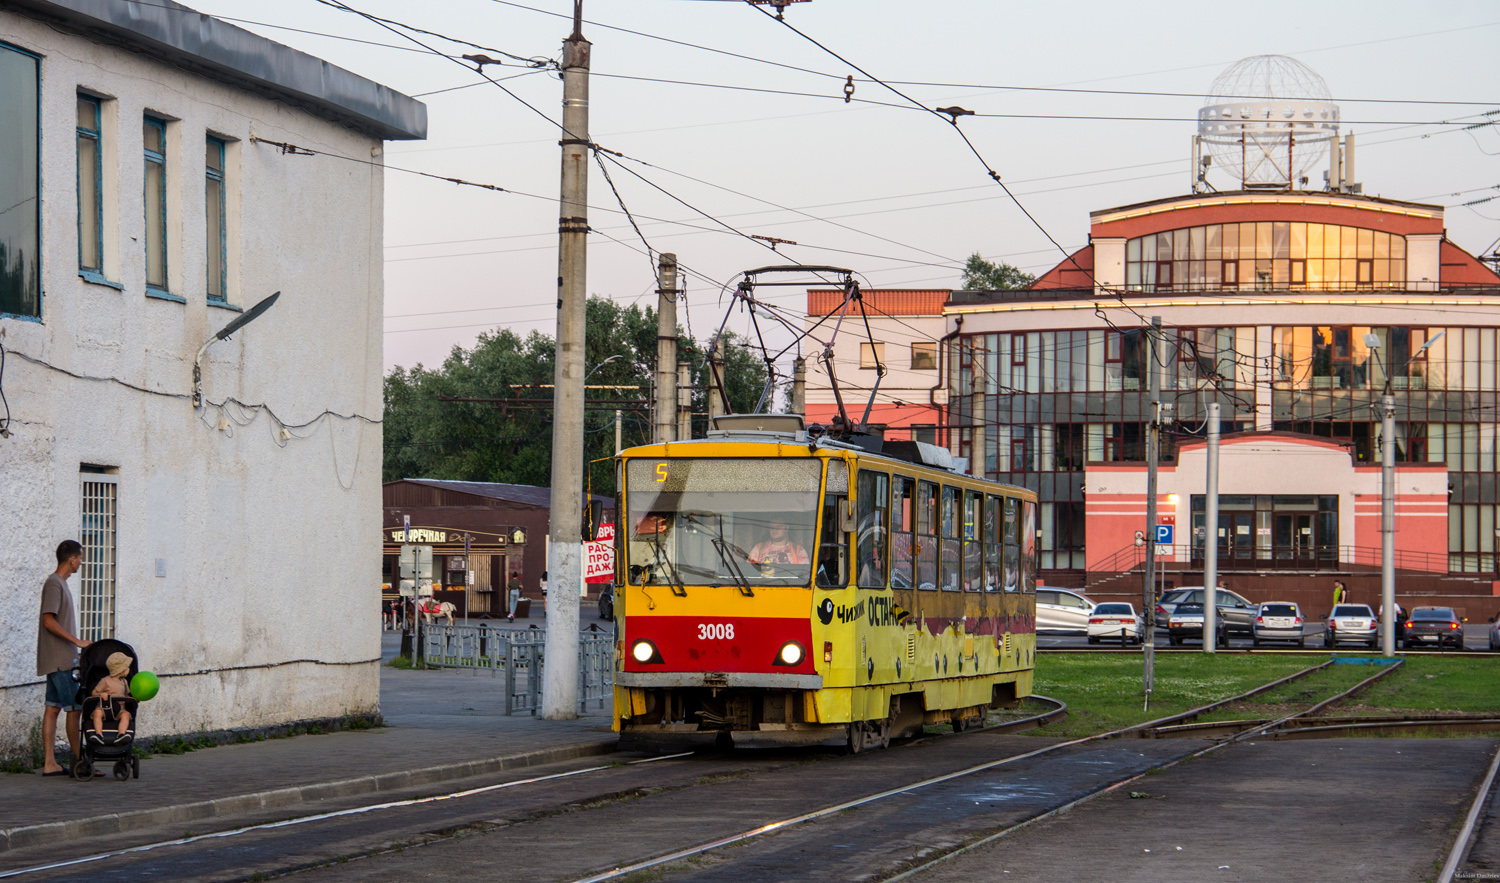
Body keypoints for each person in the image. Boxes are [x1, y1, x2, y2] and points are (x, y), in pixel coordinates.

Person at [38, 540, 91, 777]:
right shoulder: (54, 584)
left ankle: (50, 763)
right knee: (74, 708)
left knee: (52, 708)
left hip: (59, 658)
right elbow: (48, 620)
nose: (81, 561)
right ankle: (80, 762)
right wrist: (77, 642)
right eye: (80, 557)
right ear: (72, 559)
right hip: (60, 660)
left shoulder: (60, 584)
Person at [88, 652, 133, 744]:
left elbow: (126, 696)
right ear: (121, 670)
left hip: (119, 710)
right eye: (127, 668)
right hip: (104, 709)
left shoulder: (124, 682)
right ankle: (98, 735)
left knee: (126, 715)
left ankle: (121, 735)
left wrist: (134, 699)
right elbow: (94, 692)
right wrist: (101, 694)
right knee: (97, 713)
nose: (129, 669)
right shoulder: (105, 680)